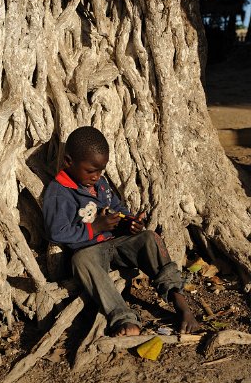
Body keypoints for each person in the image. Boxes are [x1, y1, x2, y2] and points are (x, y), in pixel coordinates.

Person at [43, 126, 199, 336]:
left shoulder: (100, 184)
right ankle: (122, 317)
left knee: (149, 238)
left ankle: (181, 304)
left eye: (101, 171)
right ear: (69, 162)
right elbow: (57, 232)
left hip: (117, 244)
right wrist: (96, 227)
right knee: (81, 260)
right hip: (91, 251)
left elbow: (118, 209)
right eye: (91, 171)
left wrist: (130, 223)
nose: (96, 176)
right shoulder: (59, 192)